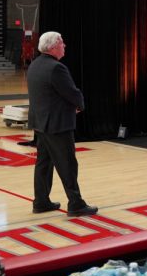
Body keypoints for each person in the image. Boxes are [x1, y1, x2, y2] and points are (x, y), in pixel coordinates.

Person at [27, 31, 97, 217]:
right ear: (52, 47)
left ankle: (41, 201)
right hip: (57, 124)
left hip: (41, 123)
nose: (64, 45)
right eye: (61, 42)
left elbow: (46, 94)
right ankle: (76, 204)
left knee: (44, 163)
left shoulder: (34, 65)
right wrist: (79, 105)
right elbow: (71, 92)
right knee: (67, 164)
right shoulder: (56, 68)